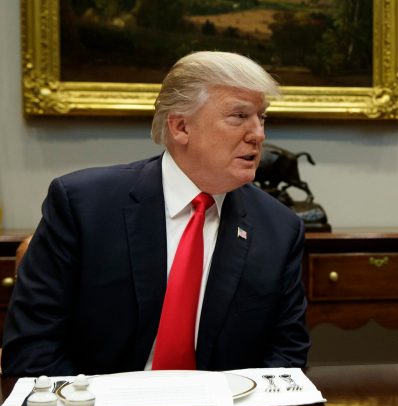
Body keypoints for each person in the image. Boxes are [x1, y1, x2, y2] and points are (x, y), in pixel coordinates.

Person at [2, 51, 311, 376]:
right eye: (239, 116)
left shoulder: (279, 228)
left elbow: (287, 356)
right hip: (99, 405)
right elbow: (32, 349)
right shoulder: (83, 207)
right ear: (180, 127)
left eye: (261, 117)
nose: (258, 134)